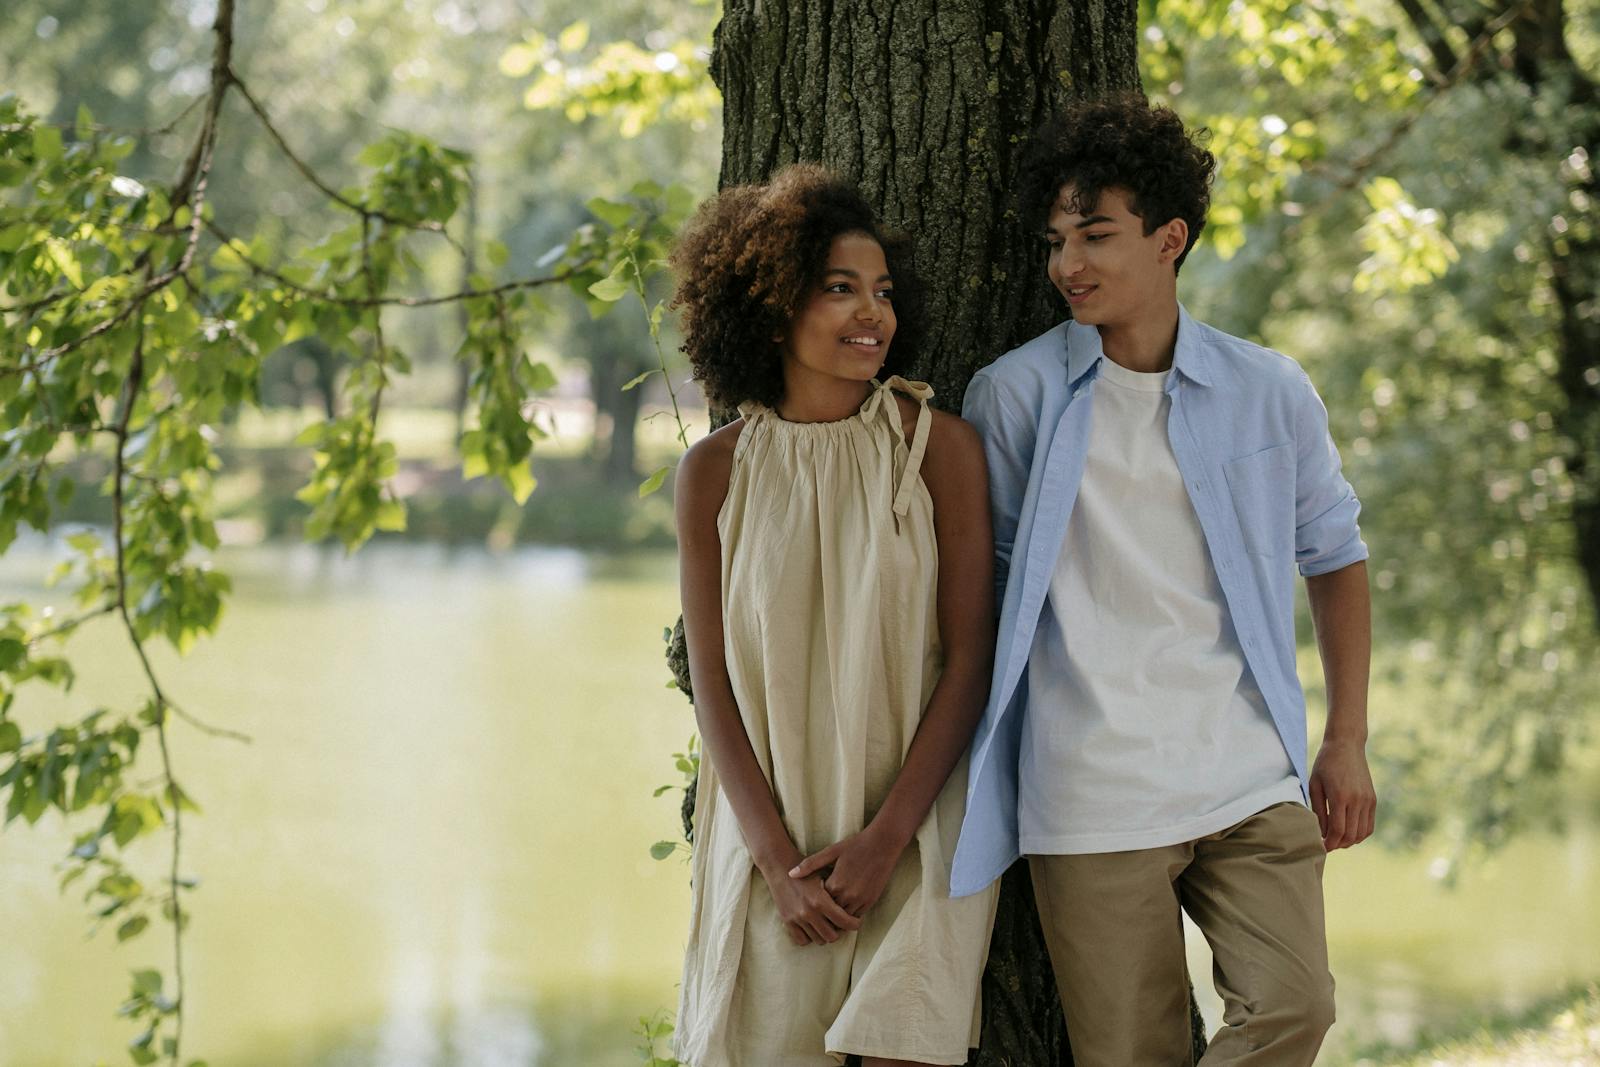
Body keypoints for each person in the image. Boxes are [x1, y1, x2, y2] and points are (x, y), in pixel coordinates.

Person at [951, 93, 1378, 1065]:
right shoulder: (1012, 397)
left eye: (1094, 234)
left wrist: (1344, 740)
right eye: (1055, 239)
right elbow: (982, 597)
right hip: (1090, 789)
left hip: (1246, 770)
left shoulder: (1267, 390)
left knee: (1296, 1005)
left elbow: (1337, 554)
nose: (1067, 264)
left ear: (1169, 239)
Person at [669, 164, 1001, 1067]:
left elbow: (972, 661)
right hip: (773, 833)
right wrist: (776, 860)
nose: (873, 314)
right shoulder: (715, 474)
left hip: (917, 820)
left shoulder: (937, 450)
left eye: (884, 292)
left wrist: (887, 838)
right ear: (773, 305)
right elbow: (713, 686)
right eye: (840, 289)